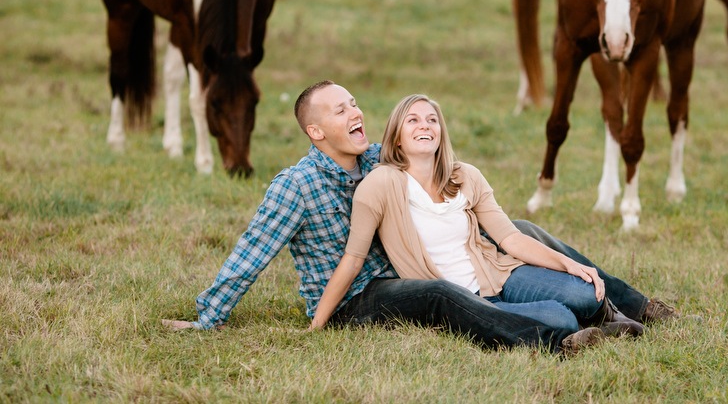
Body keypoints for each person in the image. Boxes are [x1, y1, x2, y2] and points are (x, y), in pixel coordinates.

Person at [163, 81, 677, 354]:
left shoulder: (374, 160)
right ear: (315, 131)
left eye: (355, 104)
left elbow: (425, 156)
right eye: (340, 111)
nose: (355, 114)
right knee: (437, 295)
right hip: (356, 296)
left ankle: (638, 307)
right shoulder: (294, 187)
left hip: (408, 267)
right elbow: (250, 255)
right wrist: (208, 318)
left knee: (523, 230)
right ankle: (556, 339)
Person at [310, 94, 643, 337]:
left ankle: (607, 316)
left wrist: (569, 264)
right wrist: (316, 326)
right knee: (562, 319)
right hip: (462, 298)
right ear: (397, 137)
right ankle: (577, 327)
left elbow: (510, 238)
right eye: (413, 120)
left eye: (431, 120)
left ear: (441, 133)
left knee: (583, 293)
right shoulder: (380, 184)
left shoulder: (464, 175)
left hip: (499, 275)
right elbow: (353, 259)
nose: (424, 125)